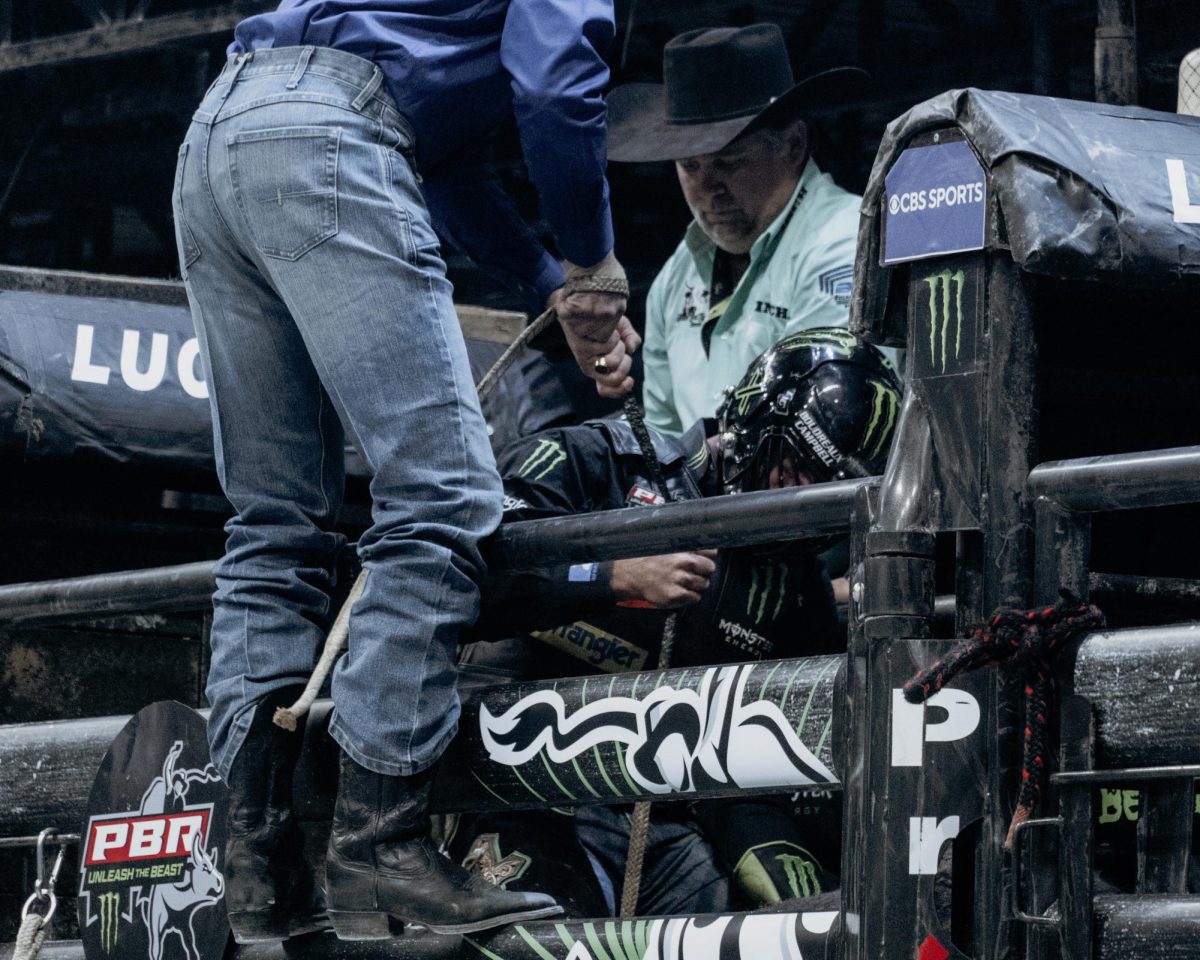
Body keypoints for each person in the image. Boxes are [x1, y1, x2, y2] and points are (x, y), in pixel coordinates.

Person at [170, 0, 640, 943]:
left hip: (219, 131)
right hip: (327, 128)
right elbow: (552, 84)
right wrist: (593, 255)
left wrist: (555, 286)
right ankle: (383, 850)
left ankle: (261, 869)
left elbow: (451, 172)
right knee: (443, 499)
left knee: (273, 524)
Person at [459, 328, 903, 915]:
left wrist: (779, 867)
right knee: (546, 938)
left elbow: (762, 762)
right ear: (754, 420)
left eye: (825, 492)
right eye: (793, 467)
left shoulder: (800, 594)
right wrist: (614, 576)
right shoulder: (596, 460)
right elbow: (463, 582)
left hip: (671, 823)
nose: (798, 501)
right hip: (519, 791)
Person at [606, 23, 872, 435]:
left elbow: (823, 426)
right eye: (689, 167)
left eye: (730, 163)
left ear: (794, 144)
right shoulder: (673, 281)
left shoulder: (843, 244)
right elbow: (663, 443)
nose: (707, 189)